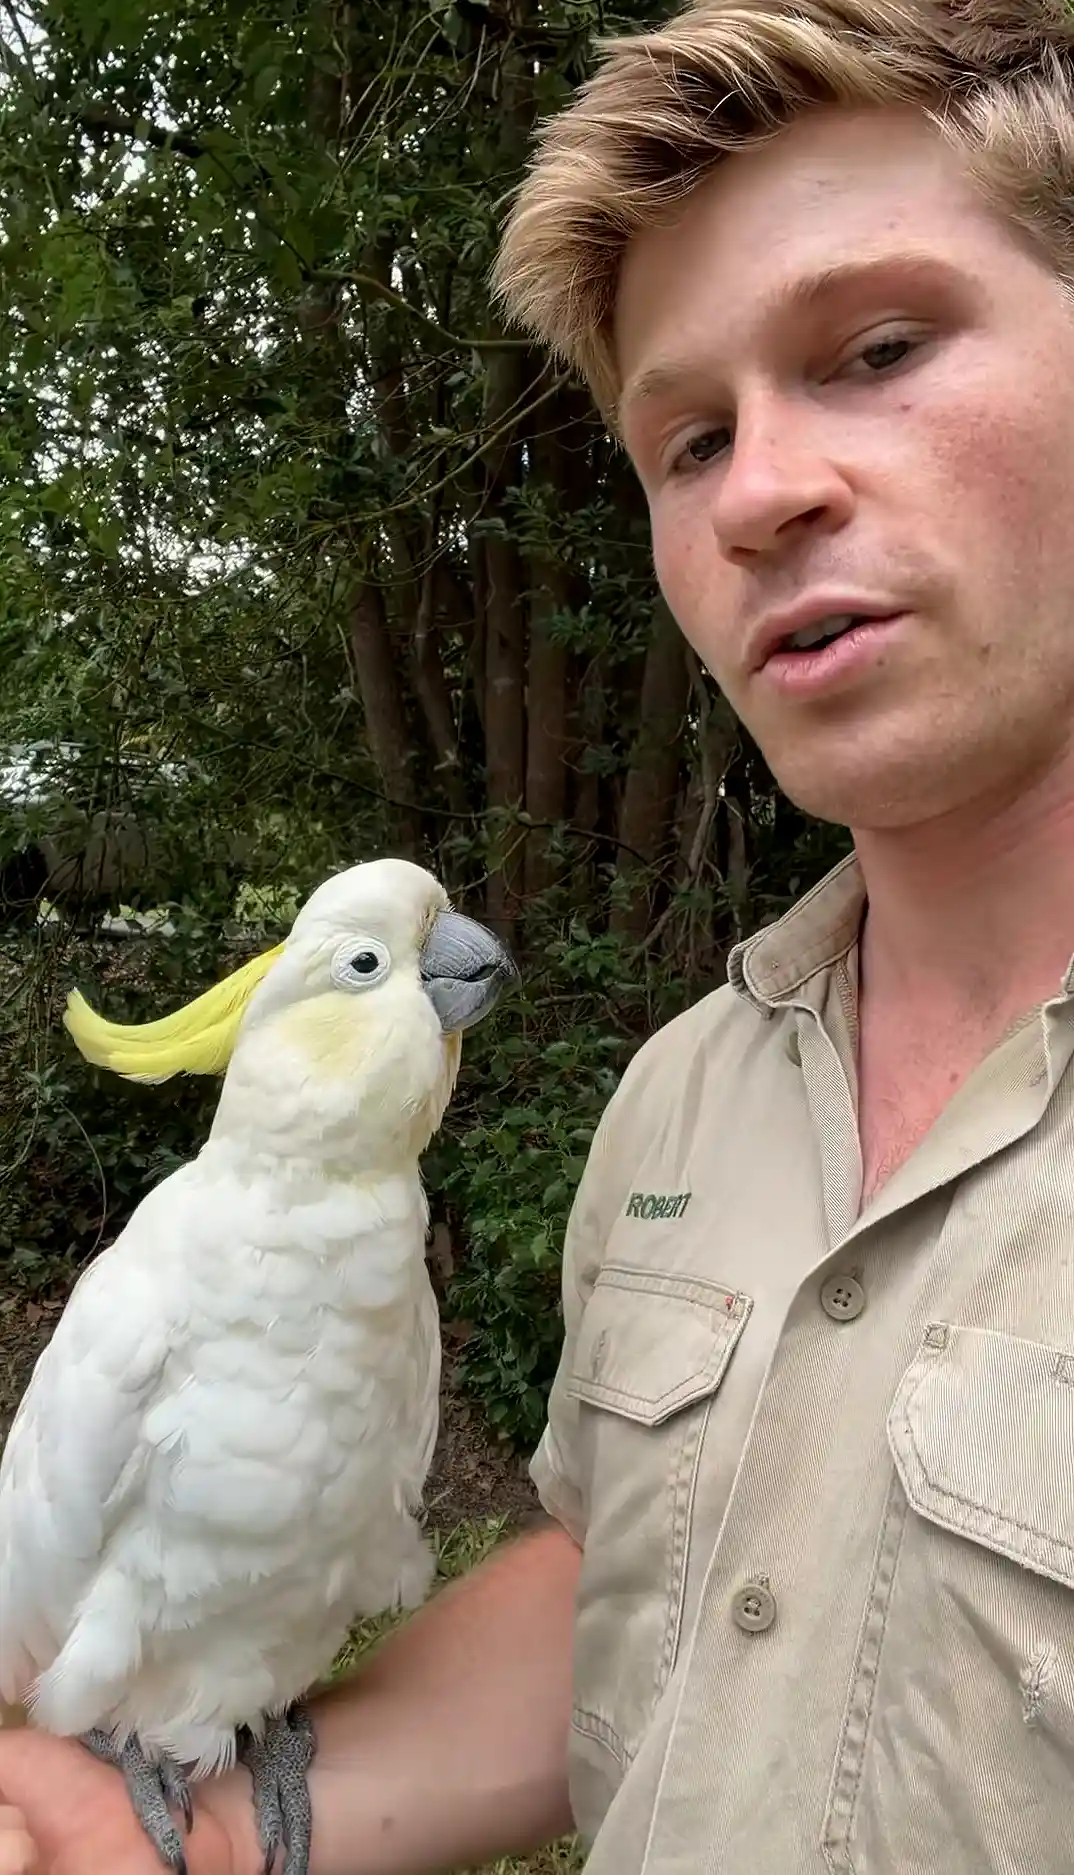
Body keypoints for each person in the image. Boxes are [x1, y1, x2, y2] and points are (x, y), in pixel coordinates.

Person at [6, 0, 1074, 1867]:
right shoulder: (682, 1100)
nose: (759, 492)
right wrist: (230, 1827)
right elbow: (635, 1579)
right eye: (685, 440)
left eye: (880, 347)